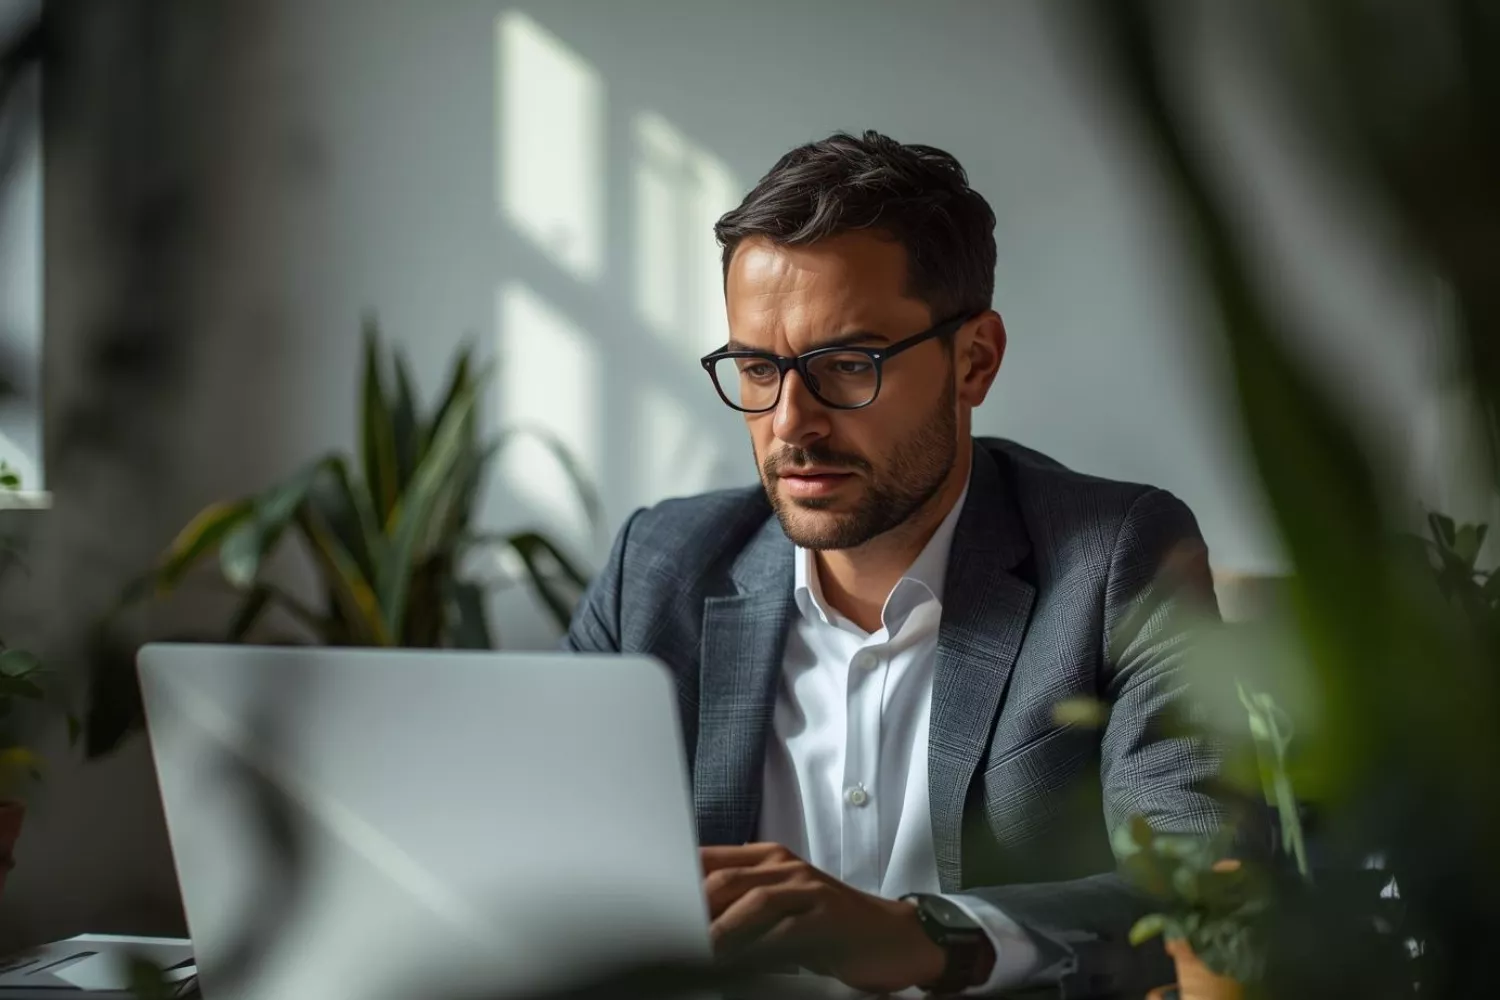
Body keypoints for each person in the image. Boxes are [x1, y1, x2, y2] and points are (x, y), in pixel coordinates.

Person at [564, 130, 1221, 998]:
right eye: (758, 369)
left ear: (974, 359)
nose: (792, 422)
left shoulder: (1115, 558)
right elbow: (545, 859)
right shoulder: (658, 567)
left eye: (847, 365)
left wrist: (927, 936)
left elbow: (1201, 891)